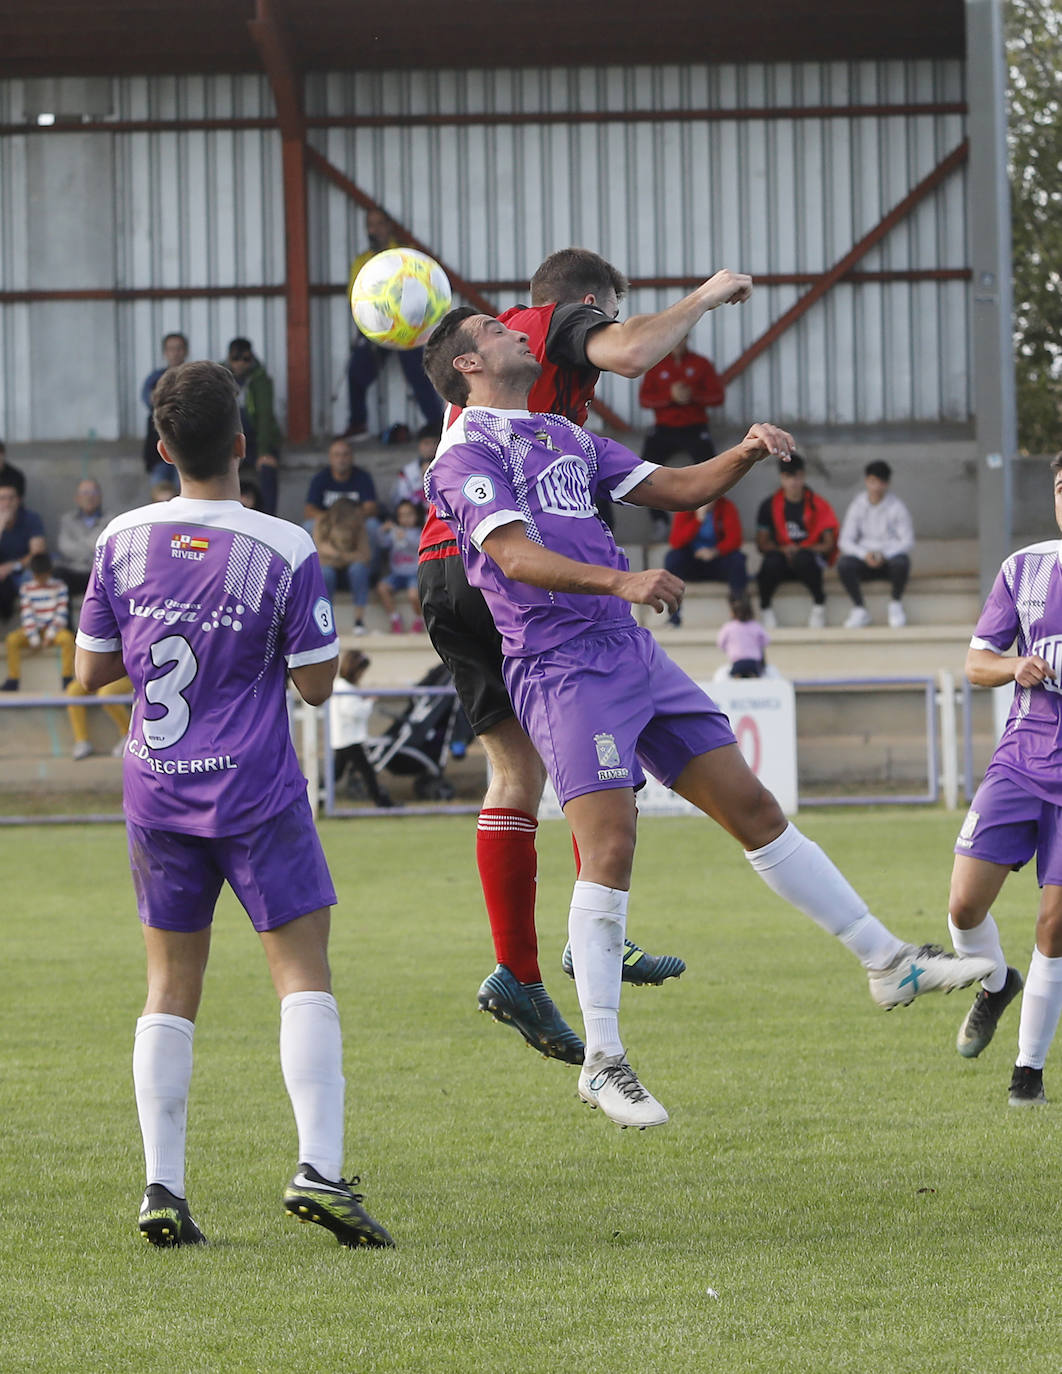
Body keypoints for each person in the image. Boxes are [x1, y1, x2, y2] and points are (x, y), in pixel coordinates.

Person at [423, 308, 994, 1128]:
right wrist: (623, 581)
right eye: (493, 325)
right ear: (470, 364)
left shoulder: (562, 433)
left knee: (754, 807)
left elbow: (678, 488)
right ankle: (604, 1060)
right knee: (611, 843)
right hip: (562, 666)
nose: (516, 328)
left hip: (628, 652)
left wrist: (747, 452)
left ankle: (887, 961)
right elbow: (512, 558)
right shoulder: (466, 454)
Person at [74, 359, 392, 1250]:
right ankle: (319, 1171)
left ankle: (162, 1190)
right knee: (302, 975)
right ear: (242, 446)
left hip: (156, 785)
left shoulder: (119, 540)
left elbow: (90, 670)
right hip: (254, 788)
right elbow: (321, 687)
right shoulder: (284, 546)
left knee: (168, 987)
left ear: (164, 447)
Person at [418, 249, 754, 1062]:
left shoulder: (518, 406)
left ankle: (533, 962)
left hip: (444, 564)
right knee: (576, 724)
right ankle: (584, 938)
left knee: (516, 775)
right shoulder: (554, 327)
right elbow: (633, 351)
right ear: (593, 302)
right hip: (503, 562)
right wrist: (705, 297)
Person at [945, 454, 1062, 1107]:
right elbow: (975, 662)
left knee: (1055, 923)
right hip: (1021, 760)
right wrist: (1013, 667)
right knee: (963, 907)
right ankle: (995, 983)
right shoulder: (1025, 568)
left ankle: (1027, 1074)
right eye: (1060, 487)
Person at [344, 209, 445, 441]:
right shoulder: (362, 261)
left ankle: (435, 423)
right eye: (370, 225)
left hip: (406, 327)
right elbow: (354, 296)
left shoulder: (404, 255)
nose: (374, 230)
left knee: (419, 373)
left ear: (389, 226)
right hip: (376, 328)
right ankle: (357, 423)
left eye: (379, 224)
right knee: (356, 372)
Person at [639, 337, 725, 537]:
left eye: (682, 338)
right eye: (674, 339)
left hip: (694, 427)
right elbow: (644, 399)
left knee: (714, 470)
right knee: (645, 470)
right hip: (664, 428)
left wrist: (692, 395)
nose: (677, 343)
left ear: (687, 338)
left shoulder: (700, 364)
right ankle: (659, 521)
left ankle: (706, 521)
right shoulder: (656, 364)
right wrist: (670, 397)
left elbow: (717, 397)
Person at [755, 453, 839, 630]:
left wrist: (802, 548)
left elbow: (829, 544)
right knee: (771, 563)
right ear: (781, 477)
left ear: (803, 476)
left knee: (804, 558)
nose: (793, 482)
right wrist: (784, 550)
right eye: (788, 476)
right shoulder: (769, 505)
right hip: (782, 559)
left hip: (808, 561)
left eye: (797, 476)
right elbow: (762, 544)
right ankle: (766, 608)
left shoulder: (818, 504)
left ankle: (819, 605)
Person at [837, 459, 915, 629]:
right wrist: (864, 555)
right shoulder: (857, 505)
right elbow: (845, 540)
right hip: (864, 560)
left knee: (902, 562)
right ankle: (859, 609)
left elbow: (907, 541)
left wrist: (884, 555)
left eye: (881, 482)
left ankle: (895, 604)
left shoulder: (897, 507)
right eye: (873, 481)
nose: (876, 487)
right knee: (844, 564)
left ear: (887, 484)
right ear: (867, 481)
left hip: (888, 561)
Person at [663, 497, 747, 627]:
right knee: (673, 558)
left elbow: (735, 540)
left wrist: (715, 551)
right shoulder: (685, 507)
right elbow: (676, 541)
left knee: (737, 559)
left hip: (717, 561)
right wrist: (697, 520)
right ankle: (674, 617)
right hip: (693, 562)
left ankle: (739, 615)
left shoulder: (727, 506)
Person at [223, 338, 281, 516]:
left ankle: (270, 519)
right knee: (217, 473)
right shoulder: (219, 376)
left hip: (256, 440)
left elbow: (265, 416)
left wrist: (264, 452)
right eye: (236, 358)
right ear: (229, 358)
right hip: (227, 440)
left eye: (246, 359)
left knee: (268, 469)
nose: (240, 363)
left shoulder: (260, 379)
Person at [2, 552, 75, 691]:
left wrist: (50, 635)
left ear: (49, 573)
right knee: (12, 640)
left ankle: (67, 678)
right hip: (32, 630)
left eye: (43, 575)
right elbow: (27, 614)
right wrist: (34, 638)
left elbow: (61, 613)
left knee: (67, 639)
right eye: (37, 576)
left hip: (53, 630)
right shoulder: (26, 588)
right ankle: (13, 678)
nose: (41, 579)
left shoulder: (60, 587)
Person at [329, 649, 393, 806]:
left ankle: (318, 797)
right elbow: (354, 711)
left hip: (344, 738)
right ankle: (381, 802)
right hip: (350, 739)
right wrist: (369, 702)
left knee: (336, 773)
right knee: (367, 772)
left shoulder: (342, 687)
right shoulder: (344, 688)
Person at [314, 497, 372, 634]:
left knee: (358, 570)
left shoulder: (359, 527)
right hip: (330, 574)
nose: (359, 516)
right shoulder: (322, 523)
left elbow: (365, 556)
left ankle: (359, 621)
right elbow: (318, 553)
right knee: (326, 573)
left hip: (350, 574)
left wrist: (338, 555)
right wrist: (349, 556)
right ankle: (325, 622)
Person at [142, 332, 188, 480]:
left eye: (179, 348)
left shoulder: (194, 376)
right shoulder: (155, 377)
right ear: (165, 352)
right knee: (159, 491)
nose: (175, 353)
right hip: (159, 448)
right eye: (171, 349)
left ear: (185, 351)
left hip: (186, 448)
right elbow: (148, 399)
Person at [0, 478, 47, 623]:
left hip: (22, 570)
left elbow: (37, 552)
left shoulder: (30, 518)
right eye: (2, 499)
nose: (7, 503)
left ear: (19, 500)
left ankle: (41, 628)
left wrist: (12, 566)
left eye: (11, 498)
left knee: (33, 578)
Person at [377, 499, 424, 633]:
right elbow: (382, 544)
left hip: (414, 574)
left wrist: (405, 537)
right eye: (402, 515)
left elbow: (418, 546)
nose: (405, 518)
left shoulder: (420, 532)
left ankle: (418, 618)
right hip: (397, 574)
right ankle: (395, 618)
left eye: (409, 514)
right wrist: (382, 531)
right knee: (382, 588)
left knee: (413, 595)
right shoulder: (394, 532)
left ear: (416, 516)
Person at [55, 478, 108, 597]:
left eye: (94, 493)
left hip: (98, 574)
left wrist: (79, 544)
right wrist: (90, 551)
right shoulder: (67, 519)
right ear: (77, 498)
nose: (89, 497)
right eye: (85, 493)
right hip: (74, 571)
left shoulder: (110, 519)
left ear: (100, 497)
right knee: (58, 574)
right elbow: (65, 547)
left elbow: (105, 548)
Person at [304, 438, 379, 522]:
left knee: (372, 524)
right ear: (330, 458)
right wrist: (332, 518)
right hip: (328, 522)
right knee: (308, 525)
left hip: (355, 522)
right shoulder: (319, 479)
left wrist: (348, 518)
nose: (341, 459)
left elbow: (371, 508)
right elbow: (309, 511)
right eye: (337, 455)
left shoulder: (363, 477)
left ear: (352, 457)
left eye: (345, 455)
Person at [66, 672, 132, 760]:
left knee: (106, 695)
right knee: (73, 691)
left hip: (125, 676)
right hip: (100, 673)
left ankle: (128, 735)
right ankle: (82, 741)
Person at [390, 422, 440, 517]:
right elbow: (401, 501)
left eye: (434, 443)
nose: (431, 448)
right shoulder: (407, 471)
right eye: (426, 443)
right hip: (415, 520)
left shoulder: (448, 468)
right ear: (419, 445)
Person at [717, 592, 769, 678]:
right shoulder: (755, 626)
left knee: (731, 676)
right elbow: (766, 641)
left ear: (732, 613)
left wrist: (730, 648)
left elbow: (720, 643)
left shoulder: (728, 627)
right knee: (757, 676)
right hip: (754, 662)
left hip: (738, 662)